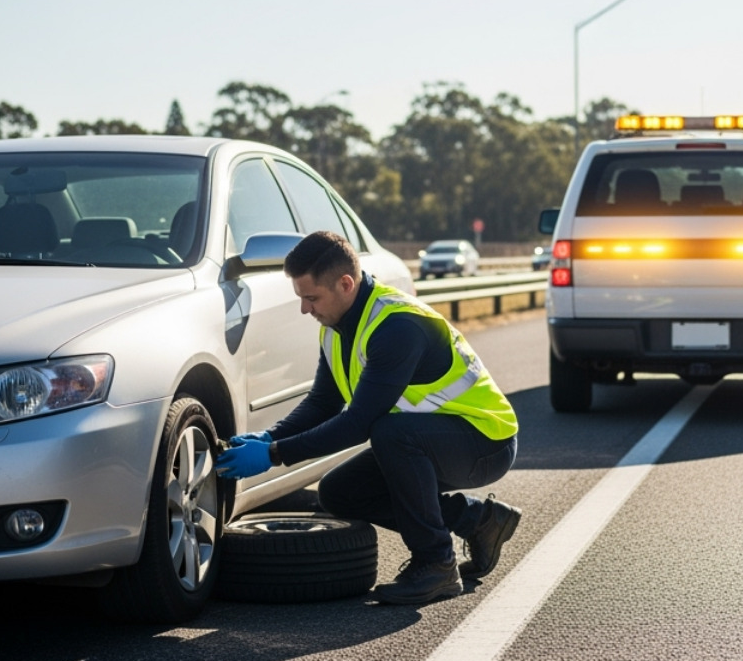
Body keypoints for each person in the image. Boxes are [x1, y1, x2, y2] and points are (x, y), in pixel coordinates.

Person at [216, 230, 522, 605]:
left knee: (389, 432)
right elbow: (322, 404)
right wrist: (269, 437)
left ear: (346, 284)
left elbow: (358, 424)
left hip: (485, 443)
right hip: (431, 440)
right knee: (339, 493)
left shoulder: (397, 328)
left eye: (312, 298)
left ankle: (436, 563)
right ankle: (477, 521)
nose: (305, 309)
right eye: (301, 298)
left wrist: (274, 454)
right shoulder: (336, 329)